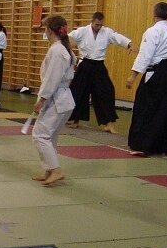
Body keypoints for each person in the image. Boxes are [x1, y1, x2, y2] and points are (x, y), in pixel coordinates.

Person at [126, 2, 167, 156]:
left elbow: (145, 55)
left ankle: (143, 145)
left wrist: (133, 76)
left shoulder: (152, 32)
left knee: (146, 108)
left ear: (154, 14)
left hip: (156, 73)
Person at [67, 12, 133, 133]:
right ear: (92, 21)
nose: (98, 27)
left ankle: (109, 124)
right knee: (78, 92)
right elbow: (69, 37)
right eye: (96, 24)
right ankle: (75, 120)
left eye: (101, 25)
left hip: (99, 66)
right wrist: (69, 44)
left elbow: (117, 38)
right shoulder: (83, 31)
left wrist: (129, 44)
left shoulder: (106, 32)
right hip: (85, 65)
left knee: (107, 92)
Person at [32, 16, 76, 187]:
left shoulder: (57, 50)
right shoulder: (64, 49)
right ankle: (49, 170)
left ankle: (55, 170)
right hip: (63, 98)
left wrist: (41, 99)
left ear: (50, 31)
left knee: (40, 135)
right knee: (49, 137)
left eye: (45, 29)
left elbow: (52, 78)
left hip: (57, 99)